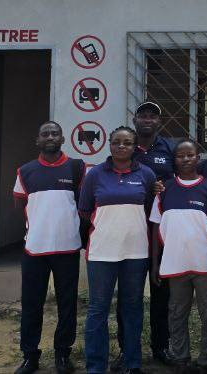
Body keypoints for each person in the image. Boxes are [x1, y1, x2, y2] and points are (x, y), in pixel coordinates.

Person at [79, 126, 159, 374]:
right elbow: (84, 210)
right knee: (98, 309)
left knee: (133, 307)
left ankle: (132, 362)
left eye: (127, 142)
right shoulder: (95, 174)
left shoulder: (146, 174)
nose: (121, 146)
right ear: (110, 145)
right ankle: (96, 366)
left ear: (135, 147)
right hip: (101, 252)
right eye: (116, 142)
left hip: (136, 253)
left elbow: (150, 210)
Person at [11, 121, 83, 374]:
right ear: (38, 140)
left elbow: (83, 204)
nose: (50, 137)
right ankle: (30, 356)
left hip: (67, 249)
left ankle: (63, 354)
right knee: (32, 305)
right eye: (45, 133)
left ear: (62, 139)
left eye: (55, 133)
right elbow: (21, 206)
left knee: (67, 305)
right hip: (35, 250)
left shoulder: (76, 167)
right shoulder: (25, 171)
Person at [149, 139, 207, 372]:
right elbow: (155, 228)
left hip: (205, 265)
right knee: (177, 313)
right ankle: (181, 358)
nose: (186, 159)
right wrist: (155, 263)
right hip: (175, 264)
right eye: (181, 156)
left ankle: (206, 360)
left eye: (190, 155)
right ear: (174, 160)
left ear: (198, 157)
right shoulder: (165, 189)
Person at [131, 101, 177, 363]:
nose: (147, 119)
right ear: (135, 119)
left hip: (162, 231)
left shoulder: (168, 149)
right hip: (133, 229)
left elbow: (180, 180)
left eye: (152, 116)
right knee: (131, 296)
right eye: (143, 115)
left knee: (162, 294)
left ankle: (161, 347)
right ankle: (129, 350)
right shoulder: (127, 146)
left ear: (159, 121)